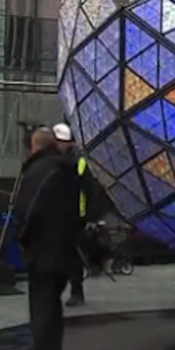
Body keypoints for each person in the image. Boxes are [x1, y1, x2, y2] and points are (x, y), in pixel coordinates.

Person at [12, 127, 82, 350]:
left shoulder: (38, 172)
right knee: (53, 306)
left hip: (42, 250)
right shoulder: (66, 169)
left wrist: (22, 239)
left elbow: (27, 211)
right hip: (64, 248)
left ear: (35, 146)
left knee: (41, 307)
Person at [52, 123, 101, 307]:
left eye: (61, 142)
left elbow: (90, 191)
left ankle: (76, 292)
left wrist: (90, 217)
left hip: (74, 217)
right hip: (56, 214)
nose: (58, 145)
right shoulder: (53, 161)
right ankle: (57, 292)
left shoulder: (78, 163)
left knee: (73, 256)